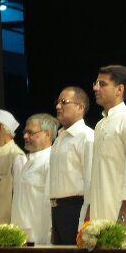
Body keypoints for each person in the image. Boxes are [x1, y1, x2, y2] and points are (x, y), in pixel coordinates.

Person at [85, 65, 126, 228]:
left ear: (119, 89)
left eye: (102, 84)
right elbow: (97, 175)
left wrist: (122, 217)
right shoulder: (99, 125)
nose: (95, 88)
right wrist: (88, 215)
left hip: (122, 216)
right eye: (96, 83)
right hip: (99, 215)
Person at [49, 87, 94, 244]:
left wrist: (86, 218)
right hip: (57, 209)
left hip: (76, 208)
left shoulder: (87, 137)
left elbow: (91, 181)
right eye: (57, 102)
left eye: (64, 102)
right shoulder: (59, 138)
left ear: (80, 107)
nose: (58, 106)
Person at [12, 114, 58, 245]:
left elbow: (51, 203)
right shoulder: (26, 161)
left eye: (31, 133)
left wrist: (50, 236)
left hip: (39, 239)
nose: (25, 136)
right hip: (19, 237)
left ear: (47, 134)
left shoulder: (51, 160)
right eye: (25, 132)